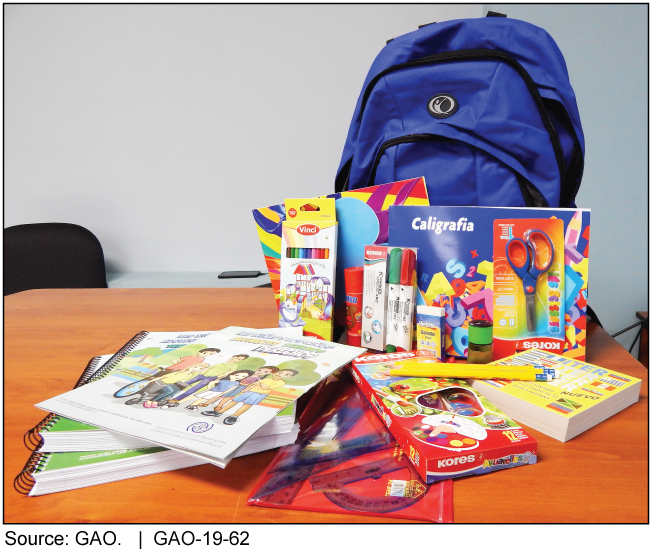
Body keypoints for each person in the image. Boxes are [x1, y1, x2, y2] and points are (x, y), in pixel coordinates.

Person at [203, 368, 298, 425]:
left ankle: (234, 416)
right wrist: (246, 389)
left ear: (288, 377)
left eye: (286, 374)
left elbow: (265, 387)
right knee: (235, 400)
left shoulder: (281, 382)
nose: (280, 374)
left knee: (247, 404)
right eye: (281, 372)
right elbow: (254, 384)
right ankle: (219, 412)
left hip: (259, 394)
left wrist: (259, 383)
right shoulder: (268, 378)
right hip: (251, 391)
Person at [161, 354, 250, 408]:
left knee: (193, 389)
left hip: (211, 378)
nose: (235, 359)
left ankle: (177, 399)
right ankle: (167, 395)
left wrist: (218, 377)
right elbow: (209, 368)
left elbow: (228, 373)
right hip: (202, 375)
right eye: (235, 357)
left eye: (239, 359)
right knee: (184, 384)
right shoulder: (220, 363)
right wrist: (202, 373)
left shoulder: (234, 366)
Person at [177, 369, 254, 411]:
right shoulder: (224, 380)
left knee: (203, 398)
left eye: (242, 377)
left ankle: (192, 405)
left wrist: (222, 393)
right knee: (195, 396)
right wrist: (209, 388)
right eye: (237, 375)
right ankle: (179, 402)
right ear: (231, 374)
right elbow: (213, 382)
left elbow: (230, 390)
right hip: (212, 390)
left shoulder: (236, 383)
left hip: (217, 393)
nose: (239, 377)